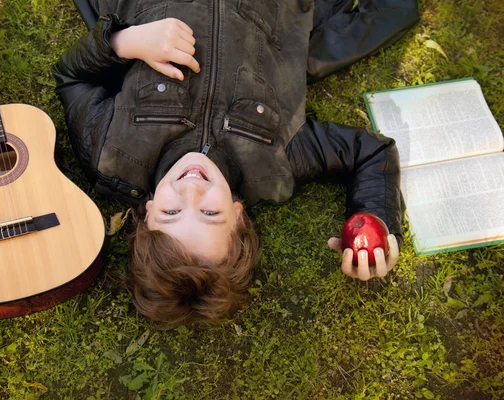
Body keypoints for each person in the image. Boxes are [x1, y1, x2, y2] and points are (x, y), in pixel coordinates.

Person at [53, 0, 419, 328]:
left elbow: (71, 76)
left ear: (146, 213)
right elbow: (370, 152)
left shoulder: (110, 153)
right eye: (210, 214)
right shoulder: (278, 164)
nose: (191, 188)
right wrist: (379, 224)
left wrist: (125, 42)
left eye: (171, 212)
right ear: (239, 214)